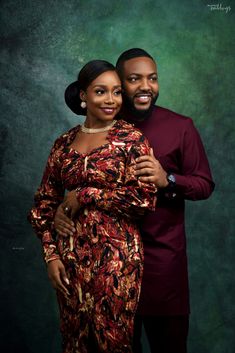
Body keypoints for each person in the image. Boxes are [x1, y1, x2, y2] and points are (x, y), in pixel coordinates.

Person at [54, 49, 215, 353]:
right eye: (134, 79)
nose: (145, 86)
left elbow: (204, 184)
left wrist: (167, 179)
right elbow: (72, 180)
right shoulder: (101, 124)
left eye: (152, 79)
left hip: (161, 268)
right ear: (119, 83)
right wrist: (65, 208)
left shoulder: (180, 127)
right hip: (107, 268)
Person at [28, 59, 156, 353]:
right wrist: (51, 256)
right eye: (101, 92)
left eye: (117, 92)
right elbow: (43, 205)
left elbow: (144, 199)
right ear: (83, 95)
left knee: (112, 343)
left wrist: (86, 194)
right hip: (69, 262)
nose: (111, 100)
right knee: (74, 342)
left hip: (116, 263)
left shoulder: (132, 140)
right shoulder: (64, 143)